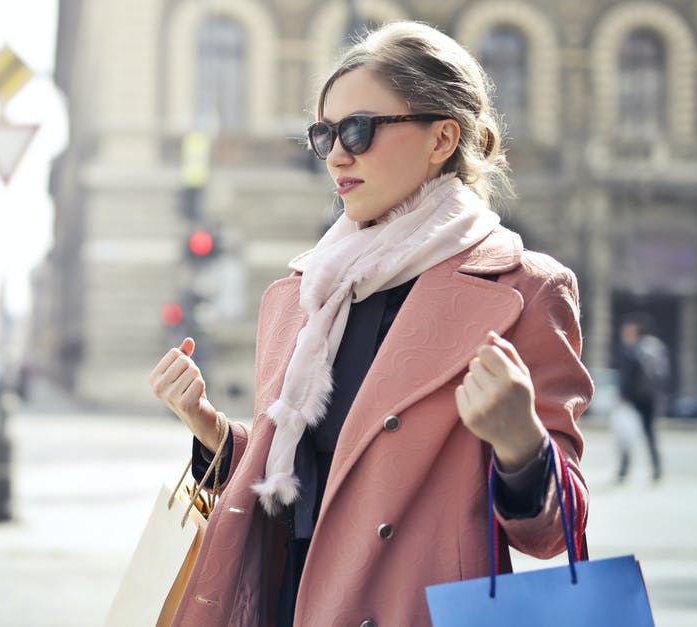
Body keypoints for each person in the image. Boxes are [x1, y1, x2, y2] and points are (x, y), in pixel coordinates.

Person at [148, 22, 592, 627]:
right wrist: (213, 433)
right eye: (324, 133)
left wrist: (521, 443)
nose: (337, 154)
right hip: (290, 603)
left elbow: (553, 534)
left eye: (359, 129)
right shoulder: (308, 293)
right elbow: (308, 487)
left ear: (442, 138)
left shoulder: (523, 290)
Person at [615, 312, 668, 482]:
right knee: (650, 434)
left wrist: (623, 395)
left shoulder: (632, 350)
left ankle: (624, 470)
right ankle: (657, 469)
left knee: (625, 434)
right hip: (651, 398)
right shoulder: (657, 347)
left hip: (632, 399)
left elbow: (627, 376)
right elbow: (663, 375)